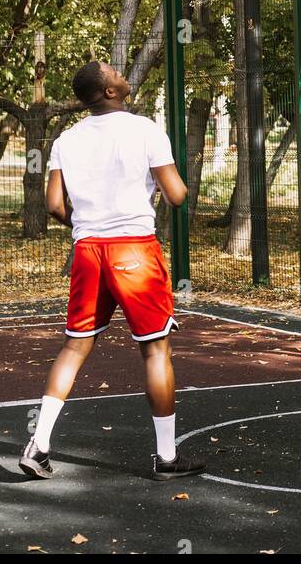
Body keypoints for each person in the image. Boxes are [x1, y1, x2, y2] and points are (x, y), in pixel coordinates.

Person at [18, 60, 204, 482]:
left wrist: (88, 221)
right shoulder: (146, 130)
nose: (123, 74)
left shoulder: (66, 139)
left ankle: (39, 444)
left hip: (87, 250)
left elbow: (53, 206)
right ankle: (166, 458)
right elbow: (176, 195)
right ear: (108, 92)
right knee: (155, 350)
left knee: (74, 347)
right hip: (134, 251)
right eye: (116, 73)